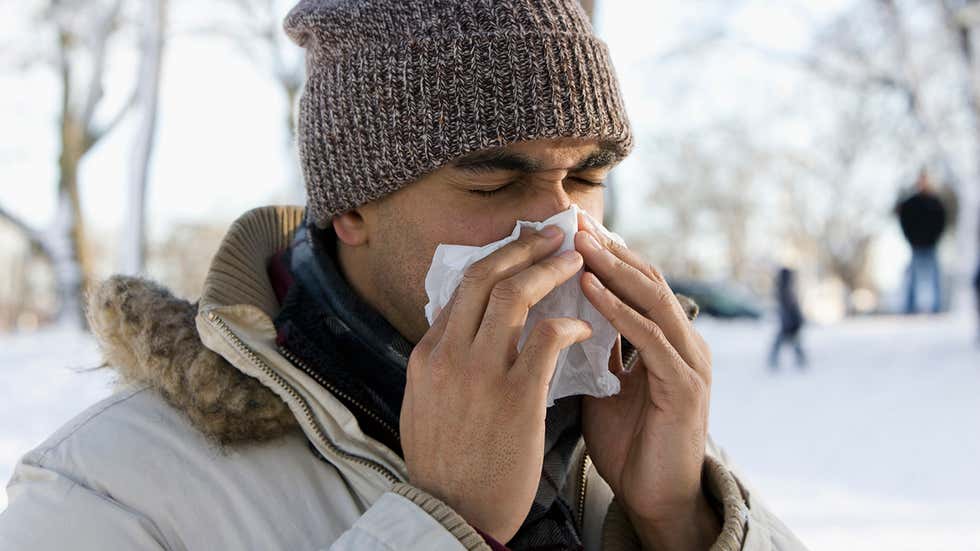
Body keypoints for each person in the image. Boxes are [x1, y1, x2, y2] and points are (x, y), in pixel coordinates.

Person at [0, 2, 807, 550]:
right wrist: (439, 524)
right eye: (493, 182)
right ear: (352, 206)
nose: (561, 226)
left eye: (587, 178)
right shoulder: (111, 488)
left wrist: (682, 519)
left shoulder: (621, 433)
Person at [897, 169, 948, 313]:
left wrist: (935, 238)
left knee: (935, 276)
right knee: (912, 277)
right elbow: (903, 219)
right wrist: (910, 238)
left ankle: (937, 307)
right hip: (916, 245)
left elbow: (942, 221)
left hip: (931, 245)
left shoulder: (936, 202)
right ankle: (910, 308)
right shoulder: (911, 203)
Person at [769, 267, 807, 370]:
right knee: (787, 341)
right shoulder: (785, 289)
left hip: (789, 322)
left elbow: (792, 307)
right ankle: (773, 361)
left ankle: (800, 361)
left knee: (791, 342)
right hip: (788, 322)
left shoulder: (785, 289)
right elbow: (788, 308)